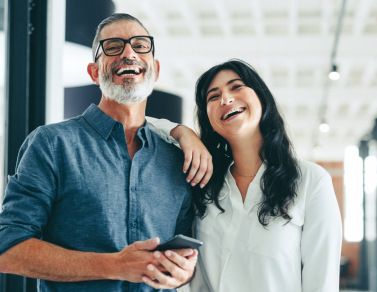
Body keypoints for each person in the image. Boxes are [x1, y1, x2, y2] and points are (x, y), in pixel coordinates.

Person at [0, 13, 213, 292]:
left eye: (140, 45)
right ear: (94, 73)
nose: (128, 53)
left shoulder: (177, 160)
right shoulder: (52, 144)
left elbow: (184, 259)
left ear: (155, 69)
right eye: (113, 46)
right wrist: (116, 265)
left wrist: (181, 274)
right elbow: (9, 250)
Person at [174, 59, 341, 291]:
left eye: (236, 86)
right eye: (213, 96)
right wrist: (181, 131)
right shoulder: (204, 185)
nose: (225, 99)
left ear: (261, 98)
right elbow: (139, 125)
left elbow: (322, 282)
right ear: (208, 119)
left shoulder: (311, 180)